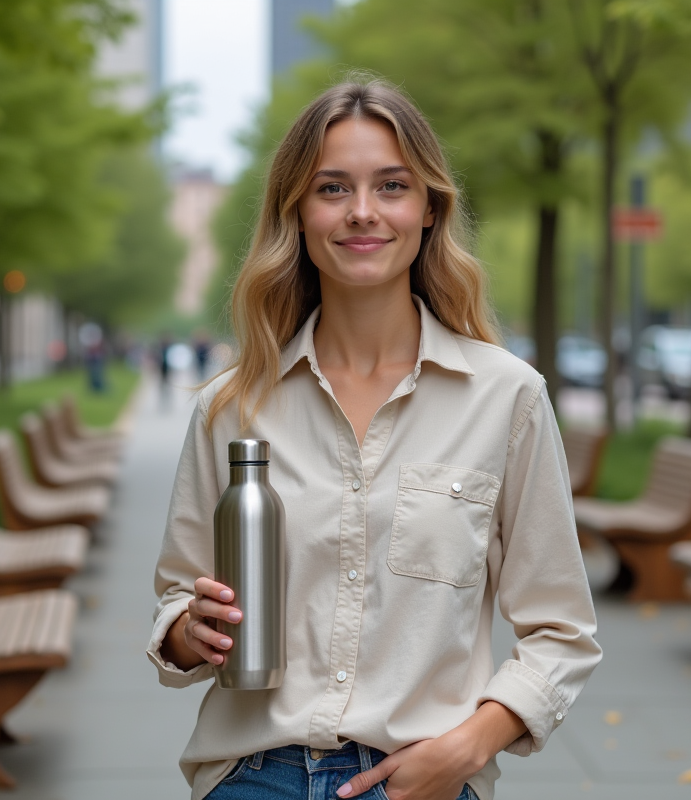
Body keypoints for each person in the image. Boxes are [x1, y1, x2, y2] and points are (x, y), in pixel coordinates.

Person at [148, 78, 601, 800]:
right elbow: (176, 597)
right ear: (296, 213)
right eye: (332, 188)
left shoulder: (507, 397)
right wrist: (187, 630)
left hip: (422, 781)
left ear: (428, 210)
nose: (363, 212)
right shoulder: (228, 407)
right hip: (253, 775)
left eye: (391, 186)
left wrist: (465, 749)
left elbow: (563, 631)